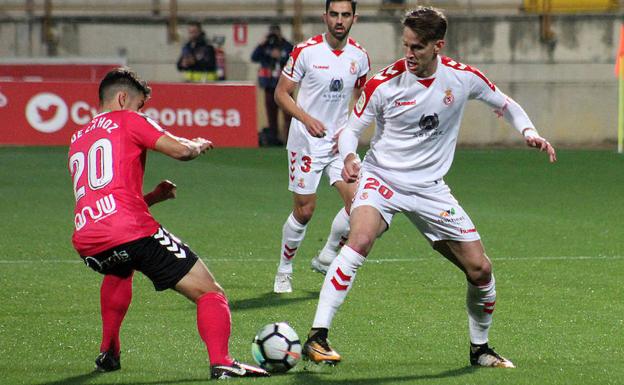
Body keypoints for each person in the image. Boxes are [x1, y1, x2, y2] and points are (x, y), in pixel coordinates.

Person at [302, 6, 557, 368]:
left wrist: (529, 132)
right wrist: (348, 157)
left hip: (430, 189)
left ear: (438, 45)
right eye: (405, 45)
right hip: (382, 178)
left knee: (480, 270)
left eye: (417, 47)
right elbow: (352, 130)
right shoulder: (383, 83)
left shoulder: (461, 78)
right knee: (359, 239)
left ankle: (480, 349)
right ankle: (318, 336)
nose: (408, 54)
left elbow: (505, 104)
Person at [68, 67, 269, 379]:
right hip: (129, 231)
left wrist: (152, 197)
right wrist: (198, 144)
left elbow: (105, 202)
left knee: (120, 268)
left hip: (88, 240)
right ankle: (222, 361)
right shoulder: (129, 119)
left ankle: (109, 351)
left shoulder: (78, 138)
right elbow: (180, 150)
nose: (141, 111)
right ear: (123, 98)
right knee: (209, 292)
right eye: (140, 105)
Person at [272, 0, 370, 293]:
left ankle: (327, 255)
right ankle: (284, 270)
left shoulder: (360, 56)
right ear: (325, 16)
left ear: (354, 18)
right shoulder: (306, 51)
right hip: (306, 142)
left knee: (360, 205)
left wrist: (351, 129)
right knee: (305, 211)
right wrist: (306, 118)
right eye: (335, 14)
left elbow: (362, 98)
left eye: (346, 15)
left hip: (339, 144)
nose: (340, 20)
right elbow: (281, 94)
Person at [251, 25, 294, 146]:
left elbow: (294, 59)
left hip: (285, 87)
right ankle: (273, 139)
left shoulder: (286, 46)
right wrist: (262, 43)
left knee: (289, 115)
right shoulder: (265, 47)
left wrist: (281, 56)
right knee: (271, 114)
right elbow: (254, 57)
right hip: (269, 86)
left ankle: (289, 140)